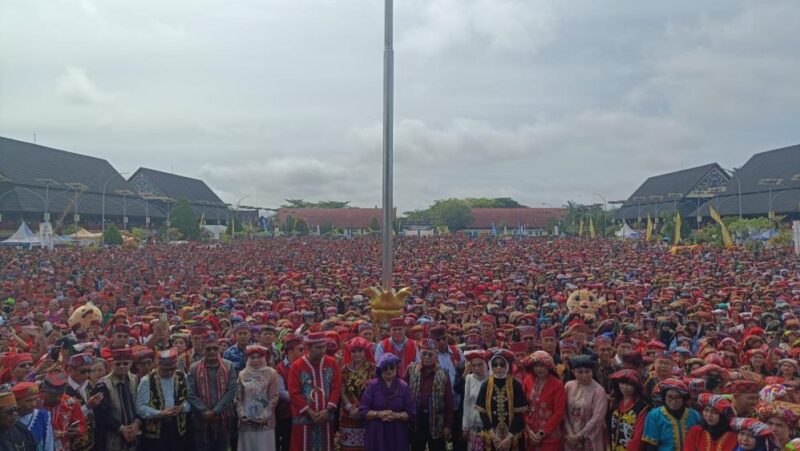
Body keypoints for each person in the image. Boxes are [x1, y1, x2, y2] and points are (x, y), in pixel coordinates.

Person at [288, 332, 341, 451]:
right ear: (308, 348)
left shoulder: (332, 363)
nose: (322, 350)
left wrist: (328, 410)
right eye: (318, 347)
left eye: (324, 347)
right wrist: (310, 412)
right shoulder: (297, 366)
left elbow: (336, 387)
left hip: (326, 418)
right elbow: (294, 392)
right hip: (304, 418)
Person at [187, 335, 237, 451]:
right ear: (202, 350)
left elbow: (231, 391)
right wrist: (204, 411)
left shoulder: (228, 366)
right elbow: (190, 393)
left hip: (223, 418)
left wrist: (215, 411)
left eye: (215, 348)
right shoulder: (194, 368)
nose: (212, 351)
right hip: (201, 419)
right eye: (208, 349)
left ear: (219, 349)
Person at [358, 353, 416, 451]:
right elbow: (363, 411)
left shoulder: (403, 386)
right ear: (380, 370)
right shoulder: (372, 386)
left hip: (397, 432)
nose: (389, 370)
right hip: (376, 432)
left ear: (396, 369)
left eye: (391, 367)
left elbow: (411, 413)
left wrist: (396, 415)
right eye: (385, 367)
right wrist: (379, 414)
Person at [135, 349, 190, 451]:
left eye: (172, 369)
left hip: (178, 427)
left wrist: (183, 407)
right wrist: (159, 413)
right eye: (165, 369)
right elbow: (140, 407)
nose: (169, 372)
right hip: (155, 431)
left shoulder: (182, 376)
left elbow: (190, 399)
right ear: (157, 365)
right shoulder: (147, 380)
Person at [406, 338, 454, 451]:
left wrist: (448, 425)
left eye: (430, 354)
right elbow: (404, 393)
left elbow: (449, 401)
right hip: (416, 420)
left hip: (437, 421)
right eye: (424, 353)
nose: (427, 357)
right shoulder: (411, 369)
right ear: (420, 353)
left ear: (436, 355)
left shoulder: (443, 373)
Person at [474, 348, 527, 451]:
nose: (498, 367)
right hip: (492, 436)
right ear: (490, 366)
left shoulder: (515, 385)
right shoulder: (485, 385)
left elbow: (519, 415)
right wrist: (493, 436)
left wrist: (509, 437)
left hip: (513, 436)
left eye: (502, 364)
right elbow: (483, 412)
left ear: (507, 365)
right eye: (495, 364)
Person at [92, 347, 141, 451]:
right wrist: (122, 429)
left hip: (133, 433)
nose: (122, 366)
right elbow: (102, 414)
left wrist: (137, 423)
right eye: (118, 364)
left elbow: (138, 404)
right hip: (112, 437)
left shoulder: (134, 379)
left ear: (131, 363)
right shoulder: (102, 384)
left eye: (125, 363)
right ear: (111, 364)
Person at [235, 345, 279, 451]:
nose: (256, 360)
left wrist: (265, 415)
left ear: (264, 358)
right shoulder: (242, 374)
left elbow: (274, 397)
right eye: (252, 357)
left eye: (259, 357)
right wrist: (241, 413)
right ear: (248, 359)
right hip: (247, 422)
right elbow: (238, 398)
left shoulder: (271, 373)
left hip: (265, 423)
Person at [522, 350, 566, 451]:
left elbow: (559, 413)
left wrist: (542, 433)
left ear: (549, 366)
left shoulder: (558, 385)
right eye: (536, 365)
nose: (539, 369)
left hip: (550, 436)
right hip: (530, 433)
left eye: (542, 365)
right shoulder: (527, 380)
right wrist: (528, 430)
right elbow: (523, 407)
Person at [642, 378, 702, 451]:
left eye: (678, 397)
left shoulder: (694, 415)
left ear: (683, 399)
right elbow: (650, 446)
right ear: (664, 398)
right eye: (669, 397)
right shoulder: (654, 415)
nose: (673, 401)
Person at [563, 355, 608, 451]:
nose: (584, 375)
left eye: (587, 372)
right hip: (570, 437)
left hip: (590, 438)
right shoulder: (568, 386)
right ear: (573, 372)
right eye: (580, 372)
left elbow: (597, 418)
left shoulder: (599, 391)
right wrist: (570, 433)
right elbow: (563, 411)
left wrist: (579, 435)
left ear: (592, 371)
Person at [338, 337, 375, 451]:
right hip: (348, 412)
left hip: (367, 411)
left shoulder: (372, 369)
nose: (357, 354)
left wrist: (362, 409)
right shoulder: (344, 369)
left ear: (365, 352)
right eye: (354, 351)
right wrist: (350, 407)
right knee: (348, 446)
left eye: (360, 351)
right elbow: (342, 391)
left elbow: (375, 391)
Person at [40, 373, 87, 451]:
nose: (58, 398)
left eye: (60, 395)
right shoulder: (34, 404)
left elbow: (81, 424)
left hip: (62, 446)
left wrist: (76, 431)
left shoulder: (70, 402)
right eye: (53, 395)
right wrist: (49, 433)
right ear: (43, 391)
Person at [65, 353, 102, 451]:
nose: (86, 375)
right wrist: (88, 407)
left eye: (89, 371)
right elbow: (66, 417)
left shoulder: (89, 384)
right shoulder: (63, 390)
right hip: (73, 443)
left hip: (92, 440)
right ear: (70, 370)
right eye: (83, 371)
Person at [607, 369, 649, 451]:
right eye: (622, 383)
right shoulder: (615, 403)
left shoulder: (642, 407)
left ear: (636, 386)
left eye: (630, 384)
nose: (625, 387)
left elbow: (638, 436)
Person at [274, 334, 303, 451]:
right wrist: (301, 400)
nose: (304, 352)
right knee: (288, 443)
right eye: (300, 349)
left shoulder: (305, 365)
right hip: (287, 414)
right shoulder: (280, 368)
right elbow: (281, 392)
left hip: (303, 412)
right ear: (290, 351)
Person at [13, 382, 54, 451]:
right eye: (28, 401)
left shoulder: (43, 416)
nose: (33, 404)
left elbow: (48, 445)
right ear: (17, 402)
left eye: (36, 399)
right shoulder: (8, 420)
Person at [462, 350, 488, 451]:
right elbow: (466, 403)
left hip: (488, 426)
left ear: (485, 364)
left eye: (480, 365)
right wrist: (465, 426)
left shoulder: (491, 379)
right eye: (474, 365)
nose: (477, 368)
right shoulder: (469, 378)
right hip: (473, 425)